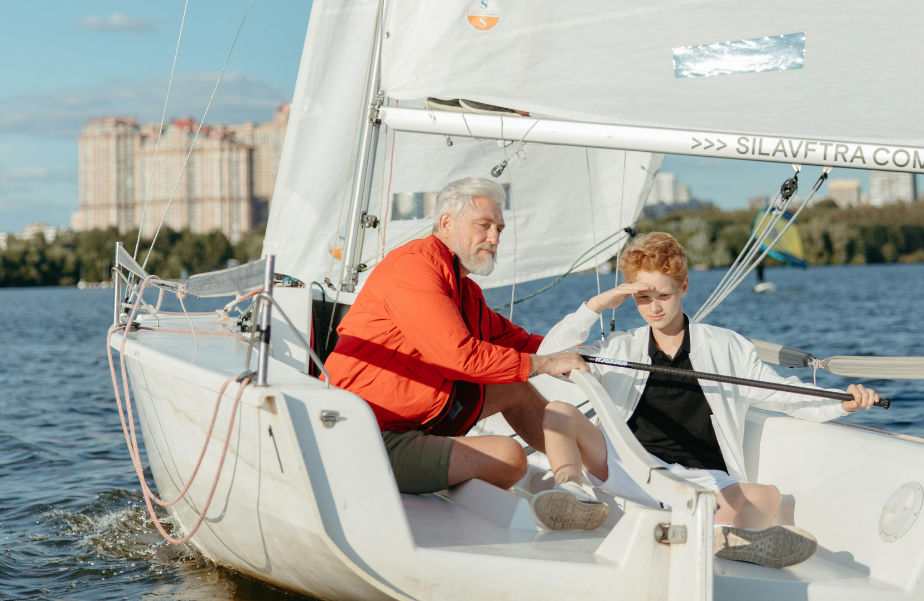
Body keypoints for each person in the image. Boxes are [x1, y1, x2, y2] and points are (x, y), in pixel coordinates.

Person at [528, 232, 880, 568]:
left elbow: (783, 394)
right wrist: (594, 306)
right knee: (559, 411)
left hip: (701, 481)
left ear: (683, 287)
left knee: (767, 496)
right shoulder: (618, 348)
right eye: (642, 298)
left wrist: (841, 401)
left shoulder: (726, 346)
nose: (653, 308)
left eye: (663, 296)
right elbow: (549, 359)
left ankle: (728, 538)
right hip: (630, 468)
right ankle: (574, 494)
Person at [324, 177, 588, 498]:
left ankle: (584, 478)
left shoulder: (464, 289)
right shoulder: (414, 267)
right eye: (484, 225)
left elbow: (518, 341)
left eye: (499, 229)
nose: (493, 238)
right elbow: (458, 356)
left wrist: (582, 354)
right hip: (367, 434)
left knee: (514, 386)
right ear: (447, 223)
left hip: (421, 421)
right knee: (508, 456)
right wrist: (546, 363)